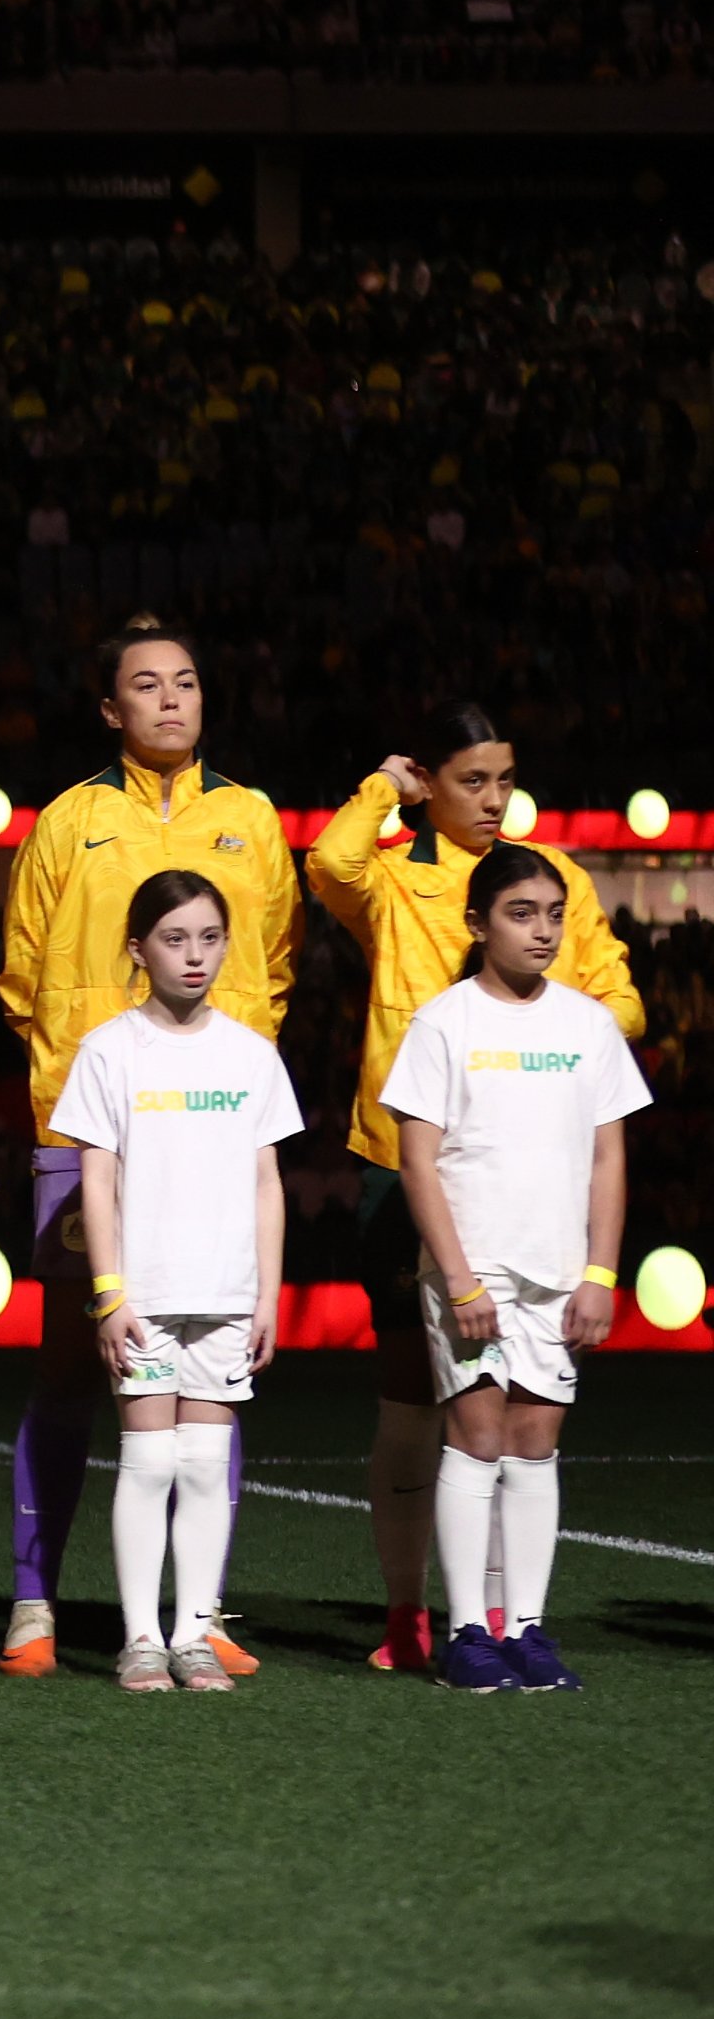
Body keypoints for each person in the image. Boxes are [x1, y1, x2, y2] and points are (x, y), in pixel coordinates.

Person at [0, 615, 295, 1681]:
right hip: (93, 1137)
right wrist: (85, 1088)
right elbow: (23, 973)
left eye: (188, 683)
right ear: (109, 708)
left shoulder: (250, 819)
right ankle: (35, 1601)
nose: (171, 700)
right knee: (78, 1357)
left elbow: (277, 965)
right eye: (146, 686)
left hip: (211, 1127)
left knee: (213, 1346)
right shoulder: (65, 823)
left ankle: (197, 1615)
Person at [307, 701, 640, 1674]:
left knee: (517, 1407)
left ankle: (501, 1621)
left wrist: (545, 1033)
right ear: (429, 783)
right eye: (470, 780)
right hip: (399, 1162)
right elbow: (325, 865)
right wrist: (382, 788)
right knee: (418, 1400)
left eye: (503, 778)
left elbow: (614, 995)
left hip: (518, 1173)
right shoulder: (393, 877)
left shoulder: (550, 882)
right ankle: (411, 1612)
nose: (494, 798)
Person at [381, 844, 643, 1693]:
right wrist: (458, 1278)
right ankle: (466, 1631)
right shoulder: (444, 1023)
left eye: (554, 915)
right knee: (476, 1434)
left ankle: (525, 1629)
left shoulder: (588, 1025)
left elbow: (608, 1158)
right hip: (472, 1271)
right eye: (521, 914)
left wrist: (600, 1274)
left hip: (559, 1272)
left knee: (535, 1445)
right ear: (478, 923)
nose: (542, 931)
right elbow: (418, 1161)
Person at [56, 872, 301, 1694]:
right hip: (147, 1301)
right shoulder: (110, 1050)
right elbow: (96, 1178)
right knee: (148, 1461)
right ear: (138, 949)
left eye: (208, 937)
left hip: (228, 1295)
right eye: (174, 938)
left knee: (204, 1466)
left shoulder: (251, 1053)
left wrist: (267, 1296)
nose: (194, 955)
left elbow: (268, 1181)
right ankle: (139, 1640)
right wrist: (111, 1292)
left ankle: (194, 1634)